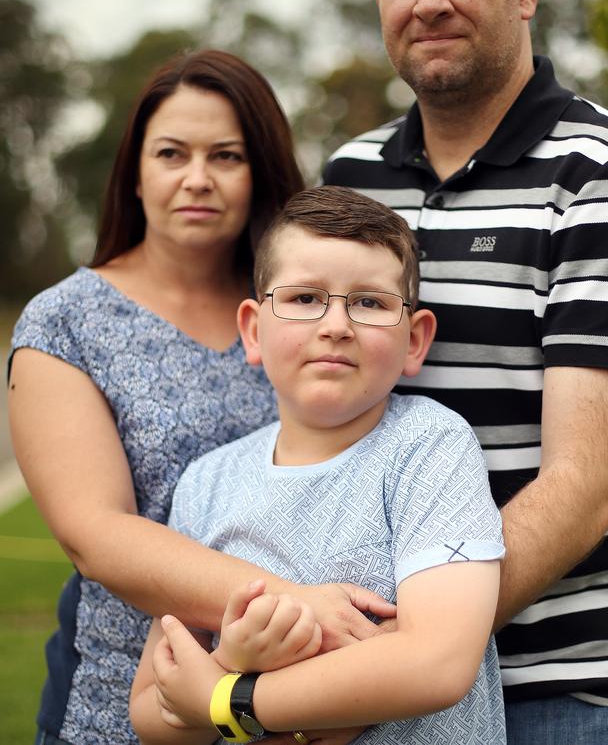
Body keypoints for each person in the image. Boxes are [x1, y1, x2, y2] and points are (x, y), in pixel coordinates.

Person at [323, 0, 608, 743]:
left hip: (562, 690)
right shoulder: (349, 178)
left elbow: (584, 486)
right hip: (384, 676)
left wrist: (411, 636)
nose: (428, 1)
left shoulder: (605, 171)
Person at [8, 51, 395, 745]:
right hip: (136, 702)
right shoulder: (65, 322)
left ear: (260, 172)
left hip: (314, 697)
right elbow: (95, 535)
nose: (197, 178)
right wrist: (291, 603)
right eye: (170, 153)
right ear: (134, 170)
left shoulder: (305, 306)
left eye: (225, 156)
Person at [129, 185, 506, 745]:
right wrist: (231, 657)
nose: (335, 325)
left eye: (370, 303)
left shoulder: (430, 447)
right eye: (305, 298)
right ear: (254, 331)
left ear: (415, 340)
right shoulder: (207, 482)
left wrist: (228, 699)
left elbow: (438, 664)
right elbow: (150, 712)